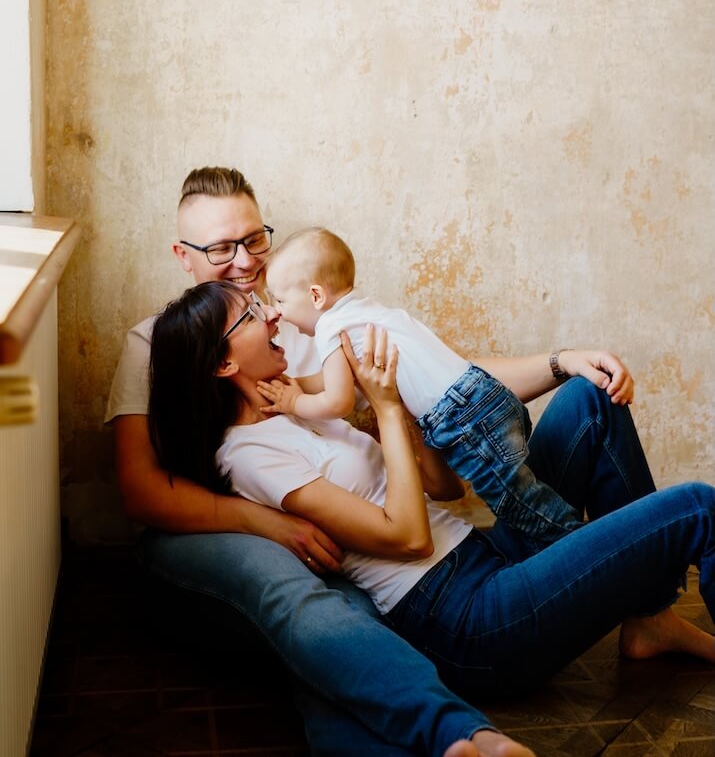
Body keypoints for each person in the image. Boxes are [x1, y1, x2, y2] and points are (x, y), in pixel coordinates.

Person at [107, 166, 541, 757]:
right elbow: (140, 491)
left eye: (253, 239)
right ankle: (455, 732)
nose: (245, 261)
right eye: (221, 248)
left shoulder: (294, 318)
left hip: (330, 515)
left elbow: (433, 376)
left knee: (344, 618)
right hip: (211, 522)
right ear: (184, 256)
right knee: (302, 595)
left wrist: (557, 363)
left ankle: (454, 739)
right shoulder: (155, 343)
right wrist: (267, 520)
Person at [148, 278, 715, 714]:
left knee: (587, 400)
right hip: (465, 622)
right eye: (251, 314)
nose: (272, 314)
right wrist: (386, 409)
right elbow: (409, 538)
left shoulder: (300, 404)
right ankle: (648, 611)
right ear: (223, 362)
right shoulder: (248, 454)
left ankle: (650, 619)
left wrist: (402, 397)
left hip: (485, 553)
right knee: (697, 507)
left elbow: (445, 488)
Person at [258, 225, 621, 547]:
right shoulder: (365, 312)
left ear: (316, 296)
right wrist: (294, 383)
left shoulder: (329, 328)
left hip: (462, 418)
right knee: (535, 498)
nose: (277, 312)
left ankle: (607, 554)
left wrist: (293, 402)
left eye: (280, 300)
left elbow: (338, 401)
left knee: (530, 513)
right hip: (488, 393)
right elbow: (337, 380)